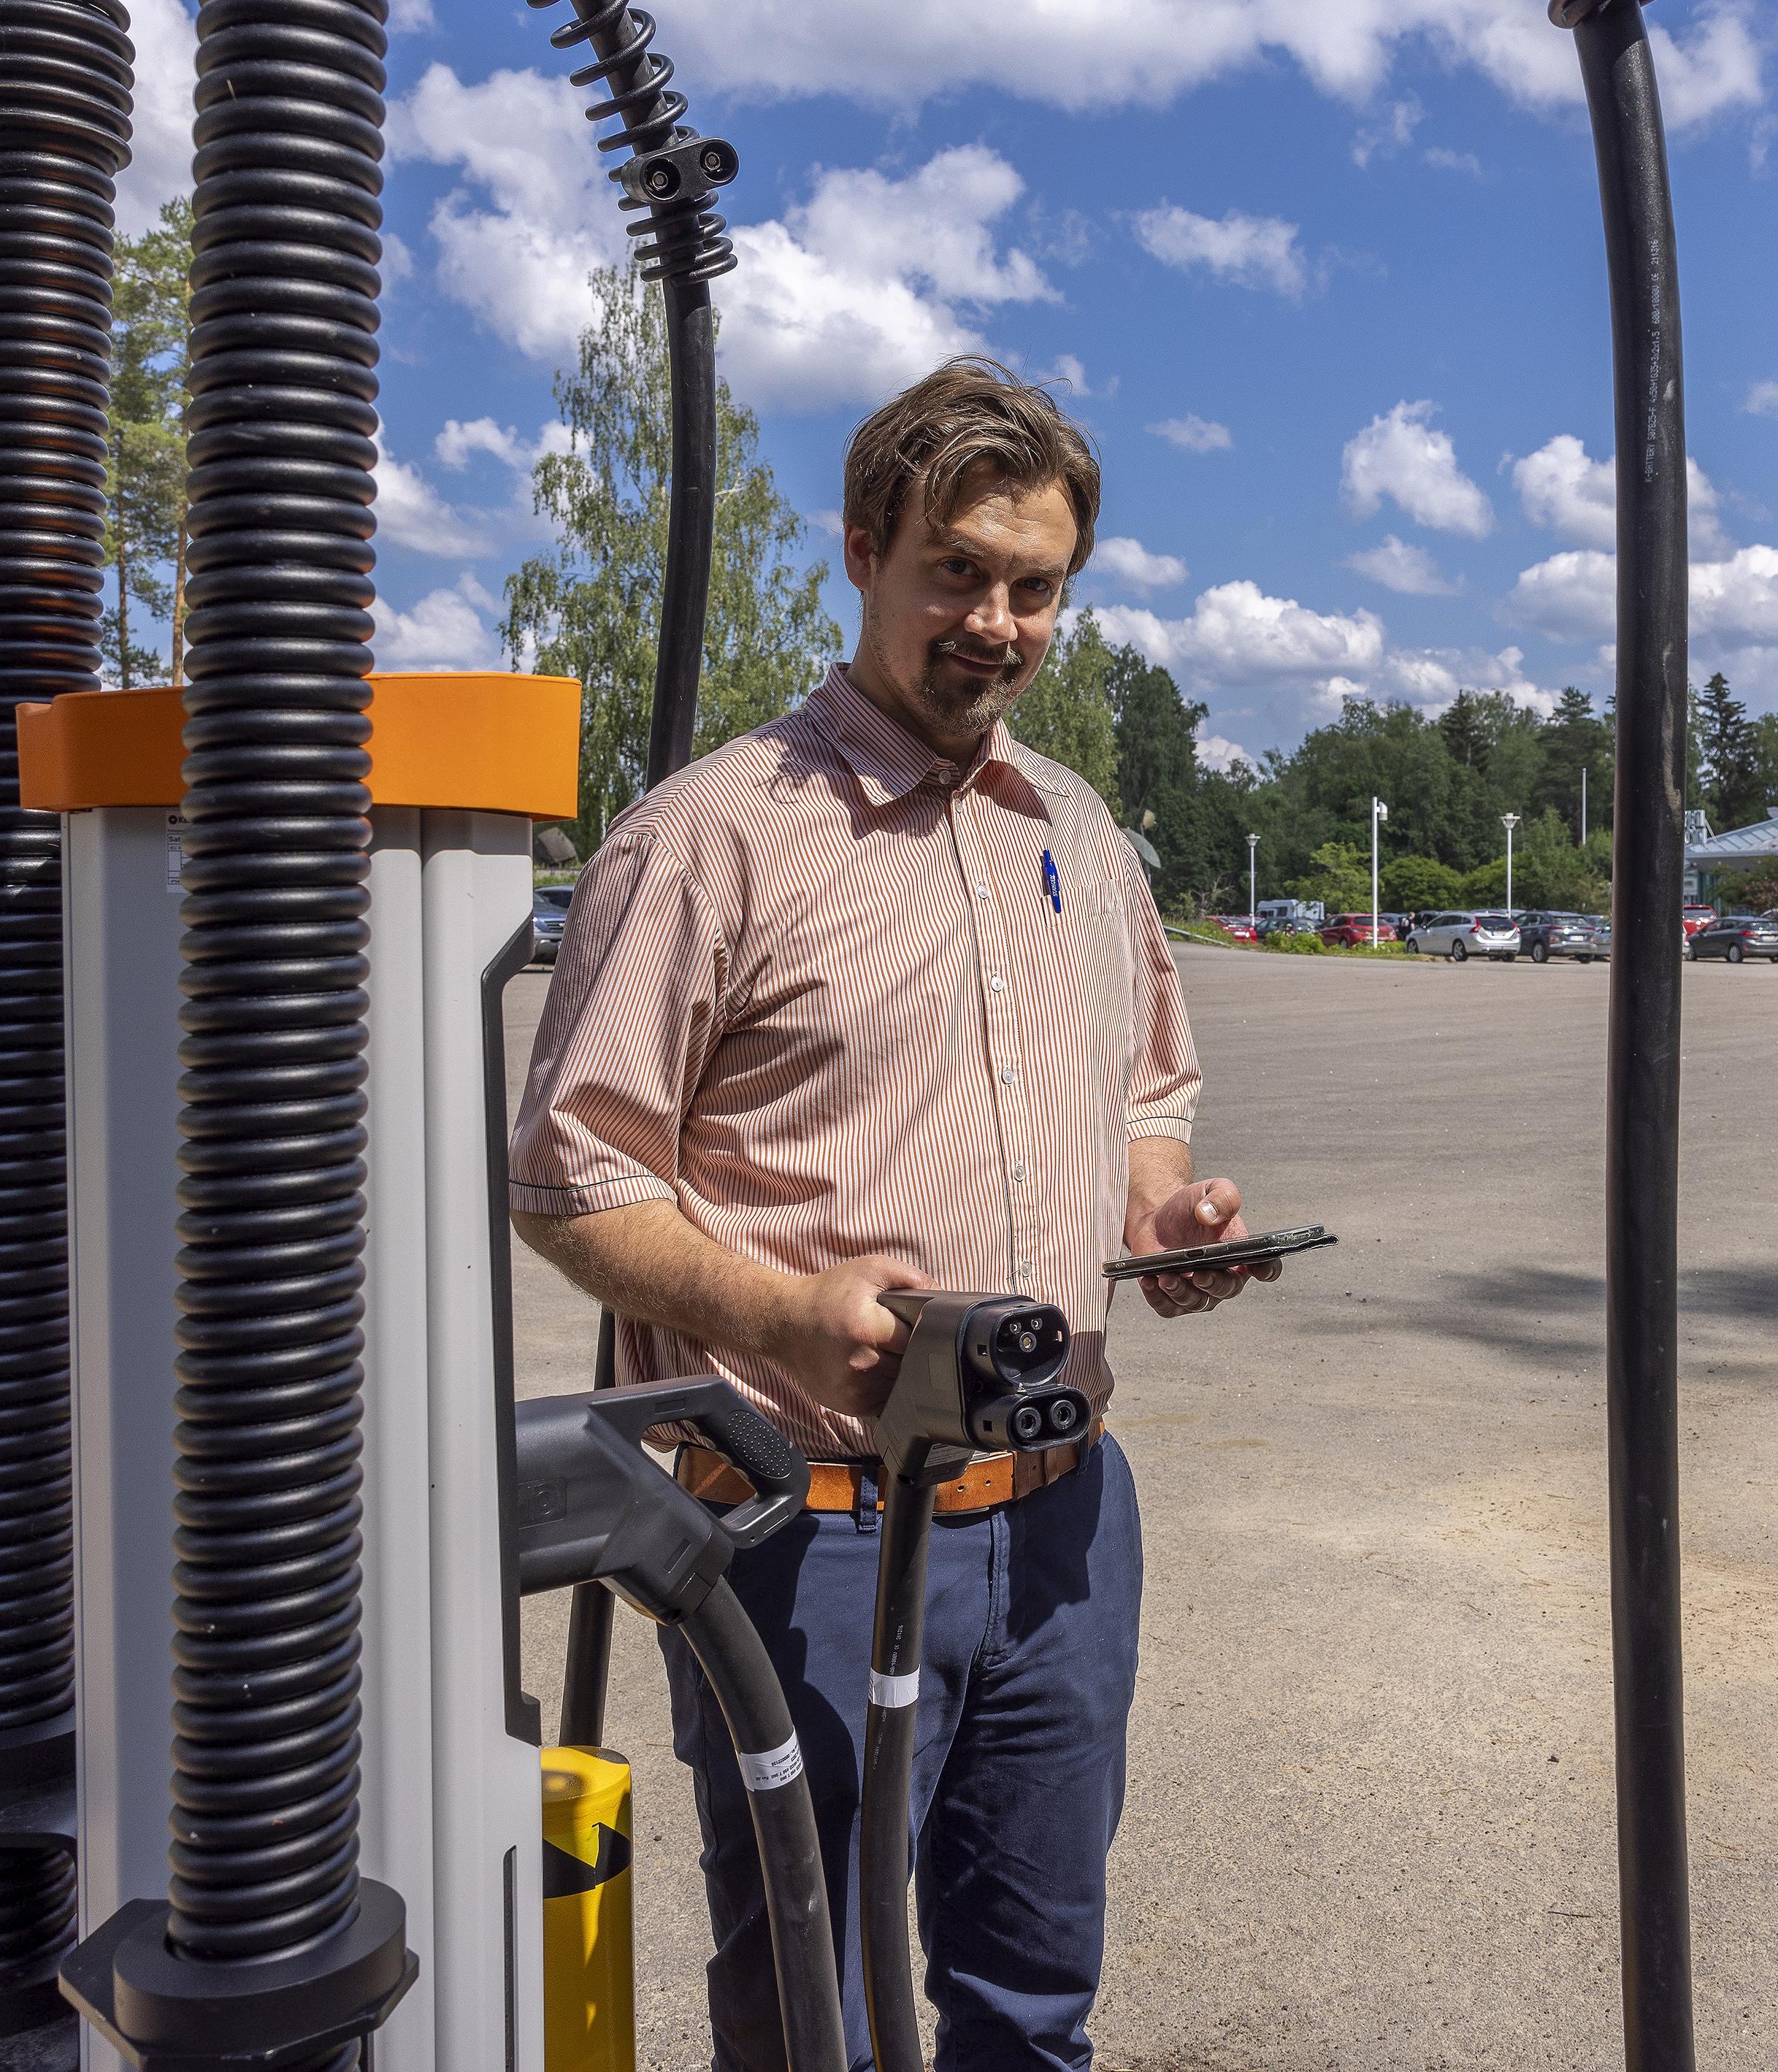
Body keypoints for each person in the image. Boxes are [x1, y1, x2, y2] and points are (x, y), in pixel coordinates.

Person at [509, 357, 1278, 2072]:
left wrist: (1166, 1214)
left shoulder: (1076, 831)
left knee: (1030, 2006)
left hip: (1066, 1519)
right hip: (809, 1531)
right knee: (817, 2021)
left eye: (1034, 586)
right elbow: (571, 1177)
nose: (995, 622)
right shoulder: (711, 840)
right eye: (957, 572)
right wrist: (782, 1312)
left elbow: (1149, 1089)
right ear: (865, 550)